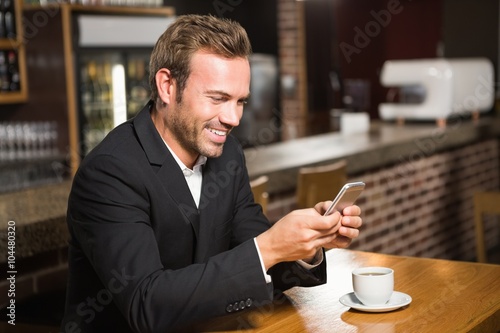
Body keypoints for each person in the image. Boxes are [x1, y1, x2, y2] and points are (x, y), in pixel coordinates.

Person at [61, 14, 362, 333]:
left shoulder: (227, 155)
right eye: (218, 99)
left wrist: (307, 244)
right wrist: (270, 247)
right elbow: (146, 305)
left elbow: (256, 266)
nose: (233, 118)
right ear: (167, 86)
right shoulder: (110, 171)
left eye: (240, 101)